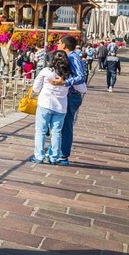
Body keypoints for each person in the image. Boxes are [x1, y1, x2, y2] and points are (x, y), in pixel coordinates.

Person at [47, 35, 86, 166]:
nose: (57, 45)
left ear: (64, 45)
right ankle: (56, 151)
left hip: (72, 96)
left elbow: (81, 76)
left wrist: (64, 82)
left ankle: (63, 155)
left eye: (59, 43)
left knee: (65, 125)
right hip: (68, 95)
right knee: (61, 125)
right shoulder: (71, 56)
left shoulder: (72, 57)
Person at [28, 50, 71, 164]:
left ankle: (39, 156)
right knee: (57, 132)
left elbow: (36, 88)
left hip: (45, 104)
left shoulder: (46, 71)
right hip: (61, 106)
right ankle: (54, 157)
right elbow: (82, 88)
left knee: (40, 131)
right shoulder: (69, 74)